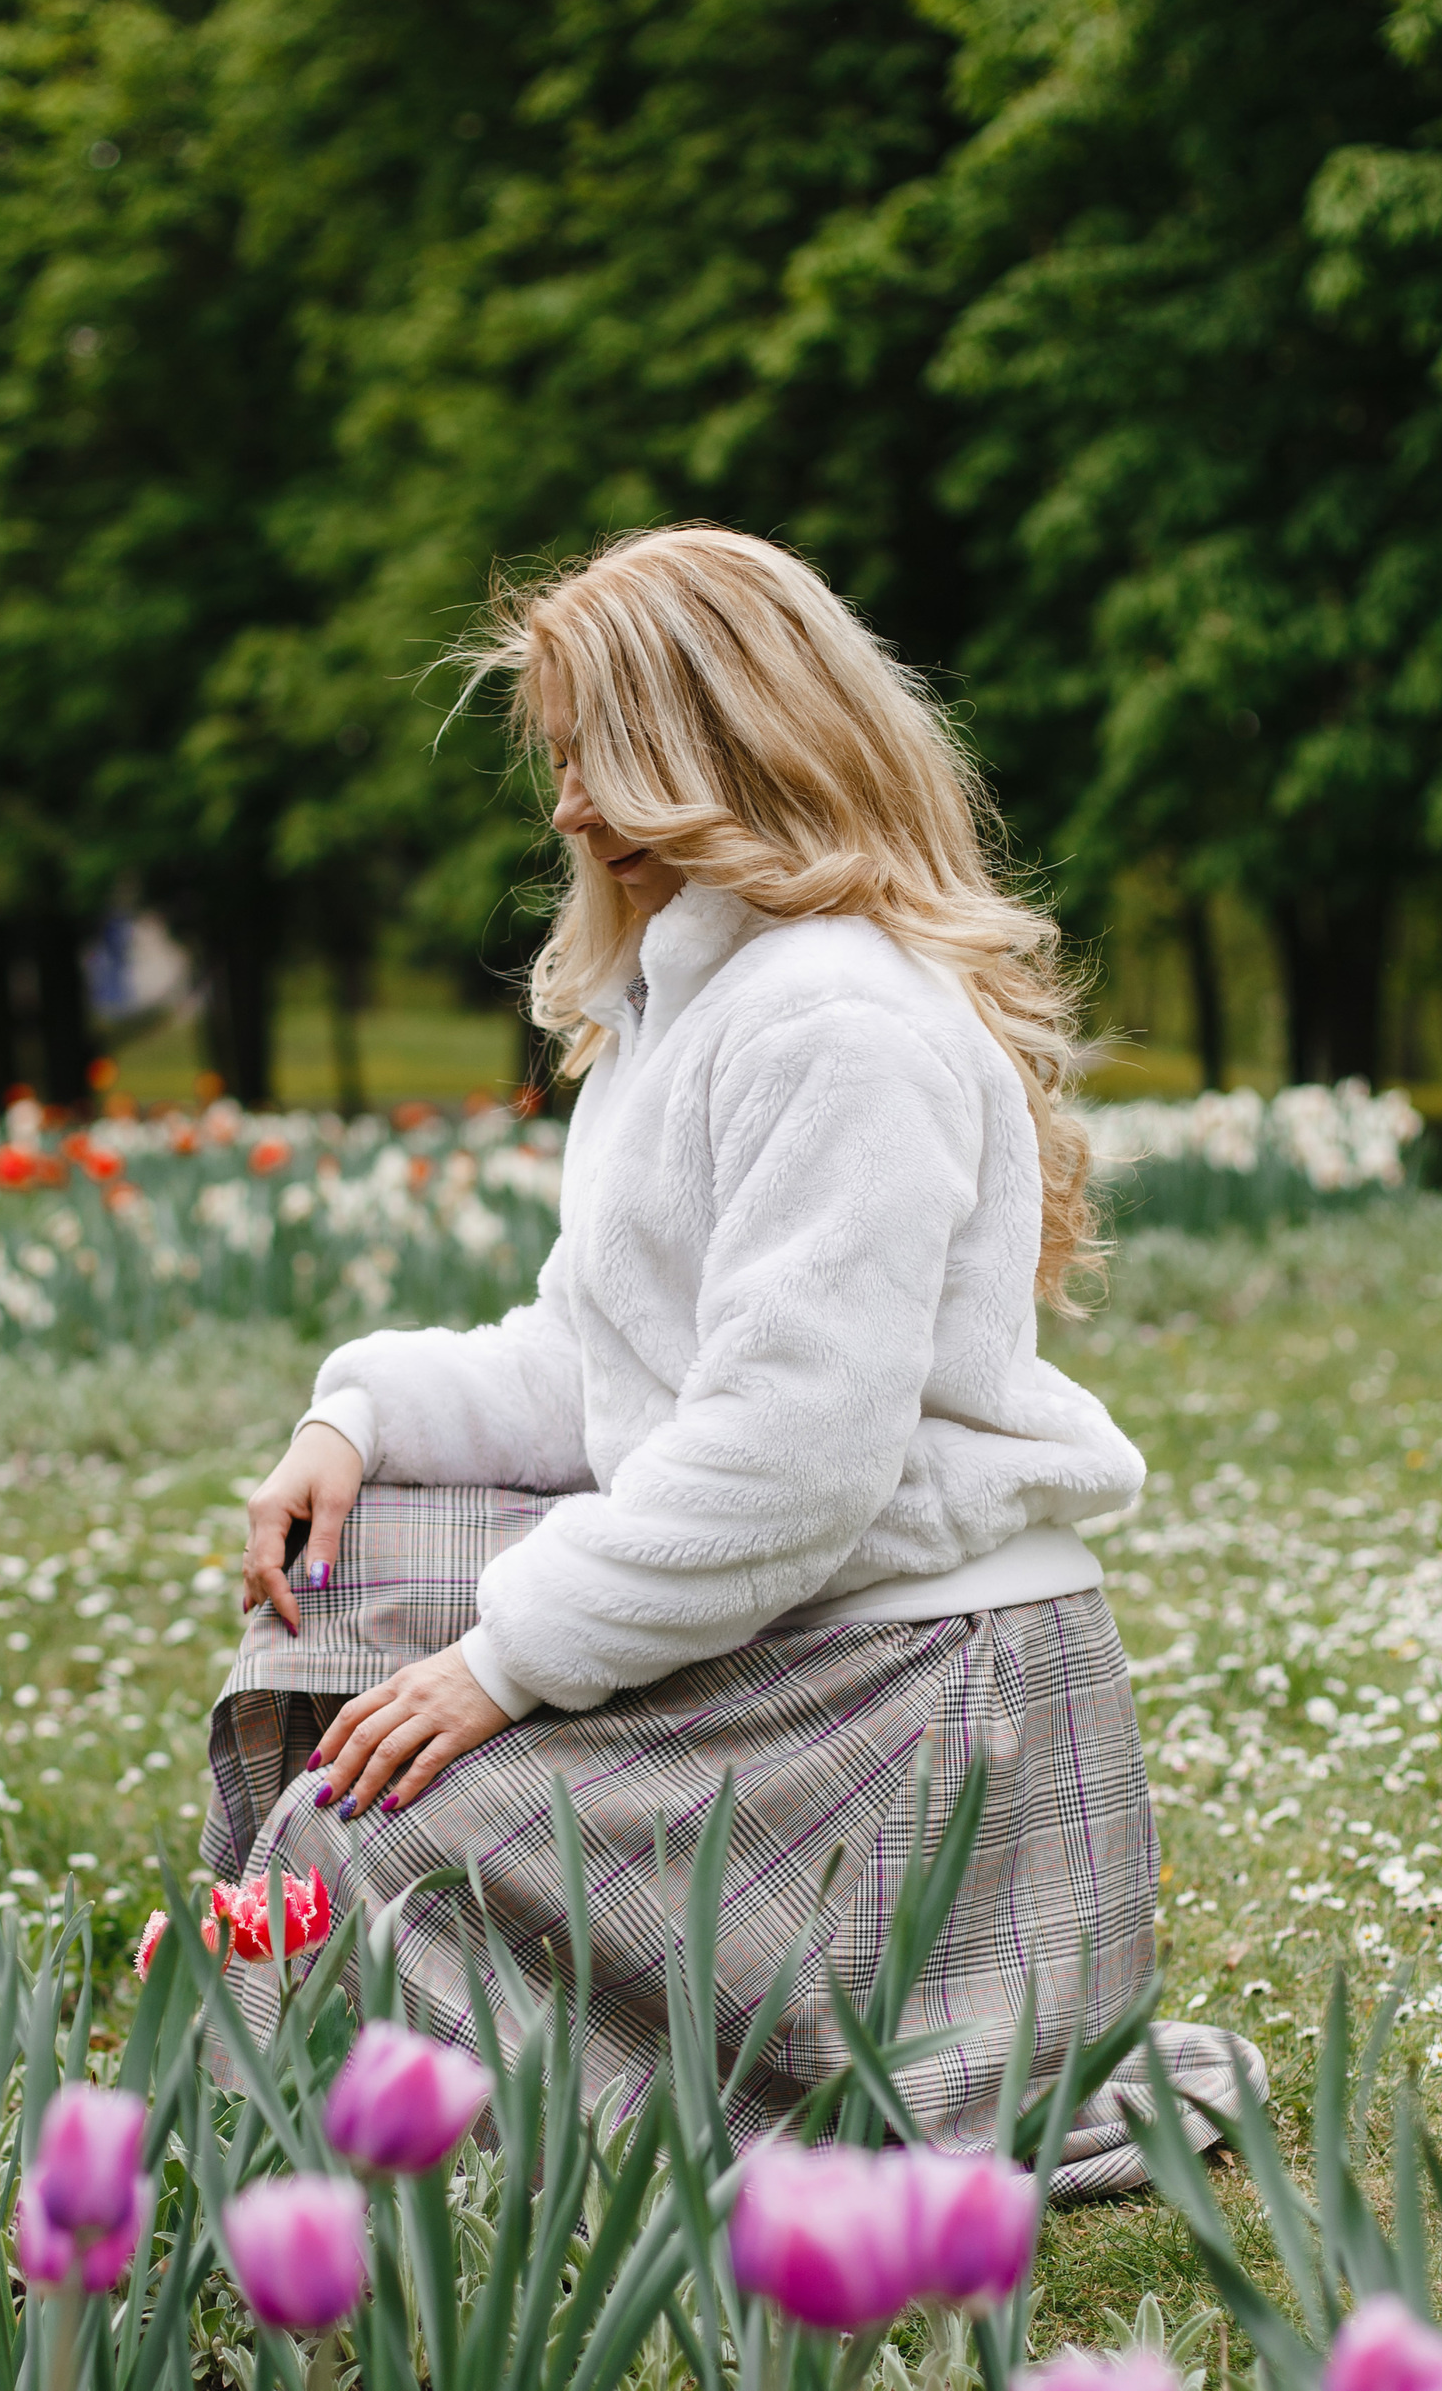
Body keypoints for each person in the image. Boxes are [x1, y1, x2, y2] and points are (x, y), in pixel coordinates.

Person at [203, 525, 1245, 2185]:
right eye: (558, 761)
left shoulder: (836, 1024)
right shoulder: (694, 998)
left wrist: (502, 1663)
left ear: (725, 743)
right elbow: (601, 1359)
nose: (562, 808)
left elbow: (788, 1460)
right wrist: (364, 1413)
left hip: (911, 1699)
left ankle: (405, 2136)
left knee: (372, 1831)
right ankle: (337, 2083)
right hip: (816, 1610)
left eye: (593, 759)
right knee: (339, 1603)